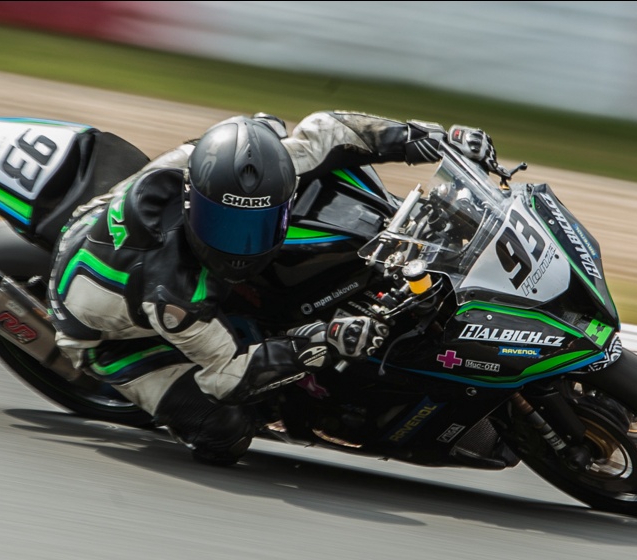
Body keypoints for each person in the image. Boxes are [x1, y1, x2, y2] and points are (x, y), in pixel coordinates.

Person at [48, 111, 498, 465]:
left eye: (259, 222)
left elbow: (330, 131)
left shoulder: (242, 171)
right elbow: (227, 376)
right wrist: (320, 343)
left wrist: (433, 139)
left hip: (119, 226)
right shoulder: (175, 295)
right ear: (193, 206)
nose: (243, 243)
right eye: (225, 225)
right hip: (113, 336)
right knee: (225, 434)